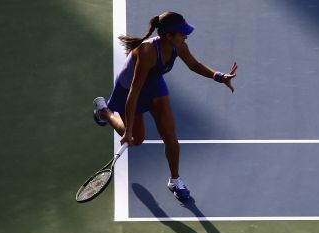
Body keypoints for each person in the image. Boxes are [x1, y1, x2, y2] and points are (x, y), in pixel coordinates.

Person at [92, 11, 236, 200]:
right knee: (136, 139)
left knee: (170, 134)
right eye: (182, 33)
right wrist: (127, 133)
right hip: (130, 89)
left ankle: (175, 180)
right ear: (168, 36)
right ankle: (104, 111)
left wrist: (219, 76)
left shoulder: (179, 46)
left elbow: (194, 65)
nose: (186, 36)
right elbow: (134, 93)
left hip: (154, 85)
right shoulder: (148, 52)